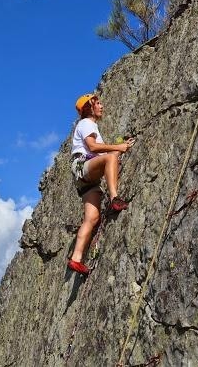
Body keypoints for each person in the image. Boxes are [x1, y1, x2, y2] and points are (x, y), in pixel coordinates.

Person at [68, 93, 135, 275]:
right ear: (90, 107)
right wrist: (117, 149)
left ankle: (76, 259)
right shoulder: (87, 123)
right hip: (83, 165)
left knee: (92, 218)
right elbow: (93, 147)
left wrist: (122, 147)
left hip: (85, 176)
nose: (101, 106)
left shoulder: (86, 126)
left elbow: (102, 155)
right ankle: (115, 198)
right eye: (98, 103)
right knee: (111, 156)